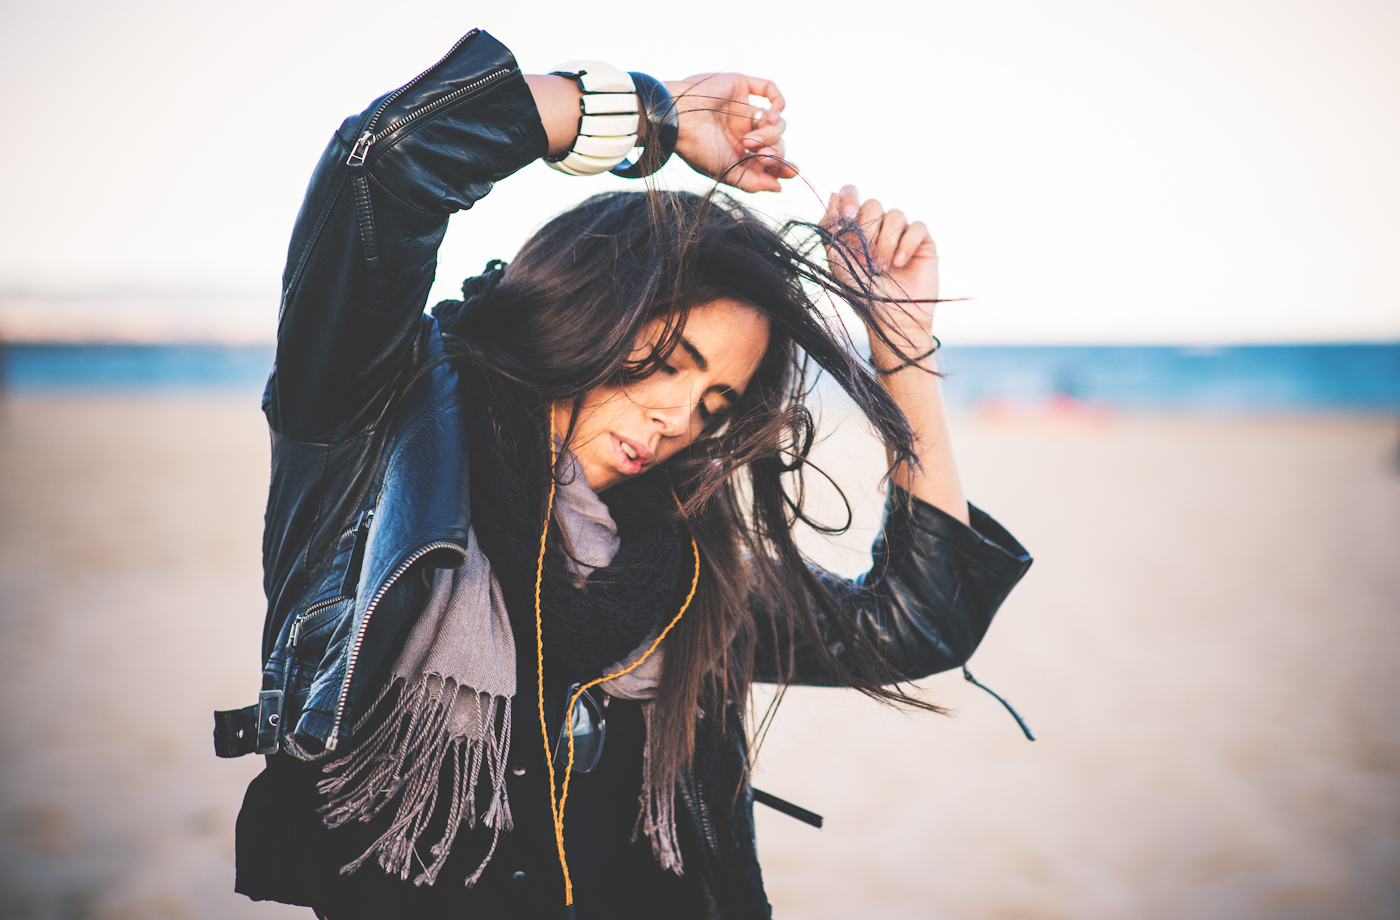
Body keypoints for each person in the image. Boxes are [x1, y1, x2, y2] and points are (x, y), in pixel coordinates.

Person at [214, 28, 1032, 920]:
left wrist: (904, 356)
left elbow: (917, 624)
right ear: (585, 307)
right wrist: (653, 118)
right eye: (667, 363)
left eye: (715, 403)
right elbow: (386, 167)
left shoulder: (681, 573)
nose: (680, 419)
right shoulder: (370, 431)